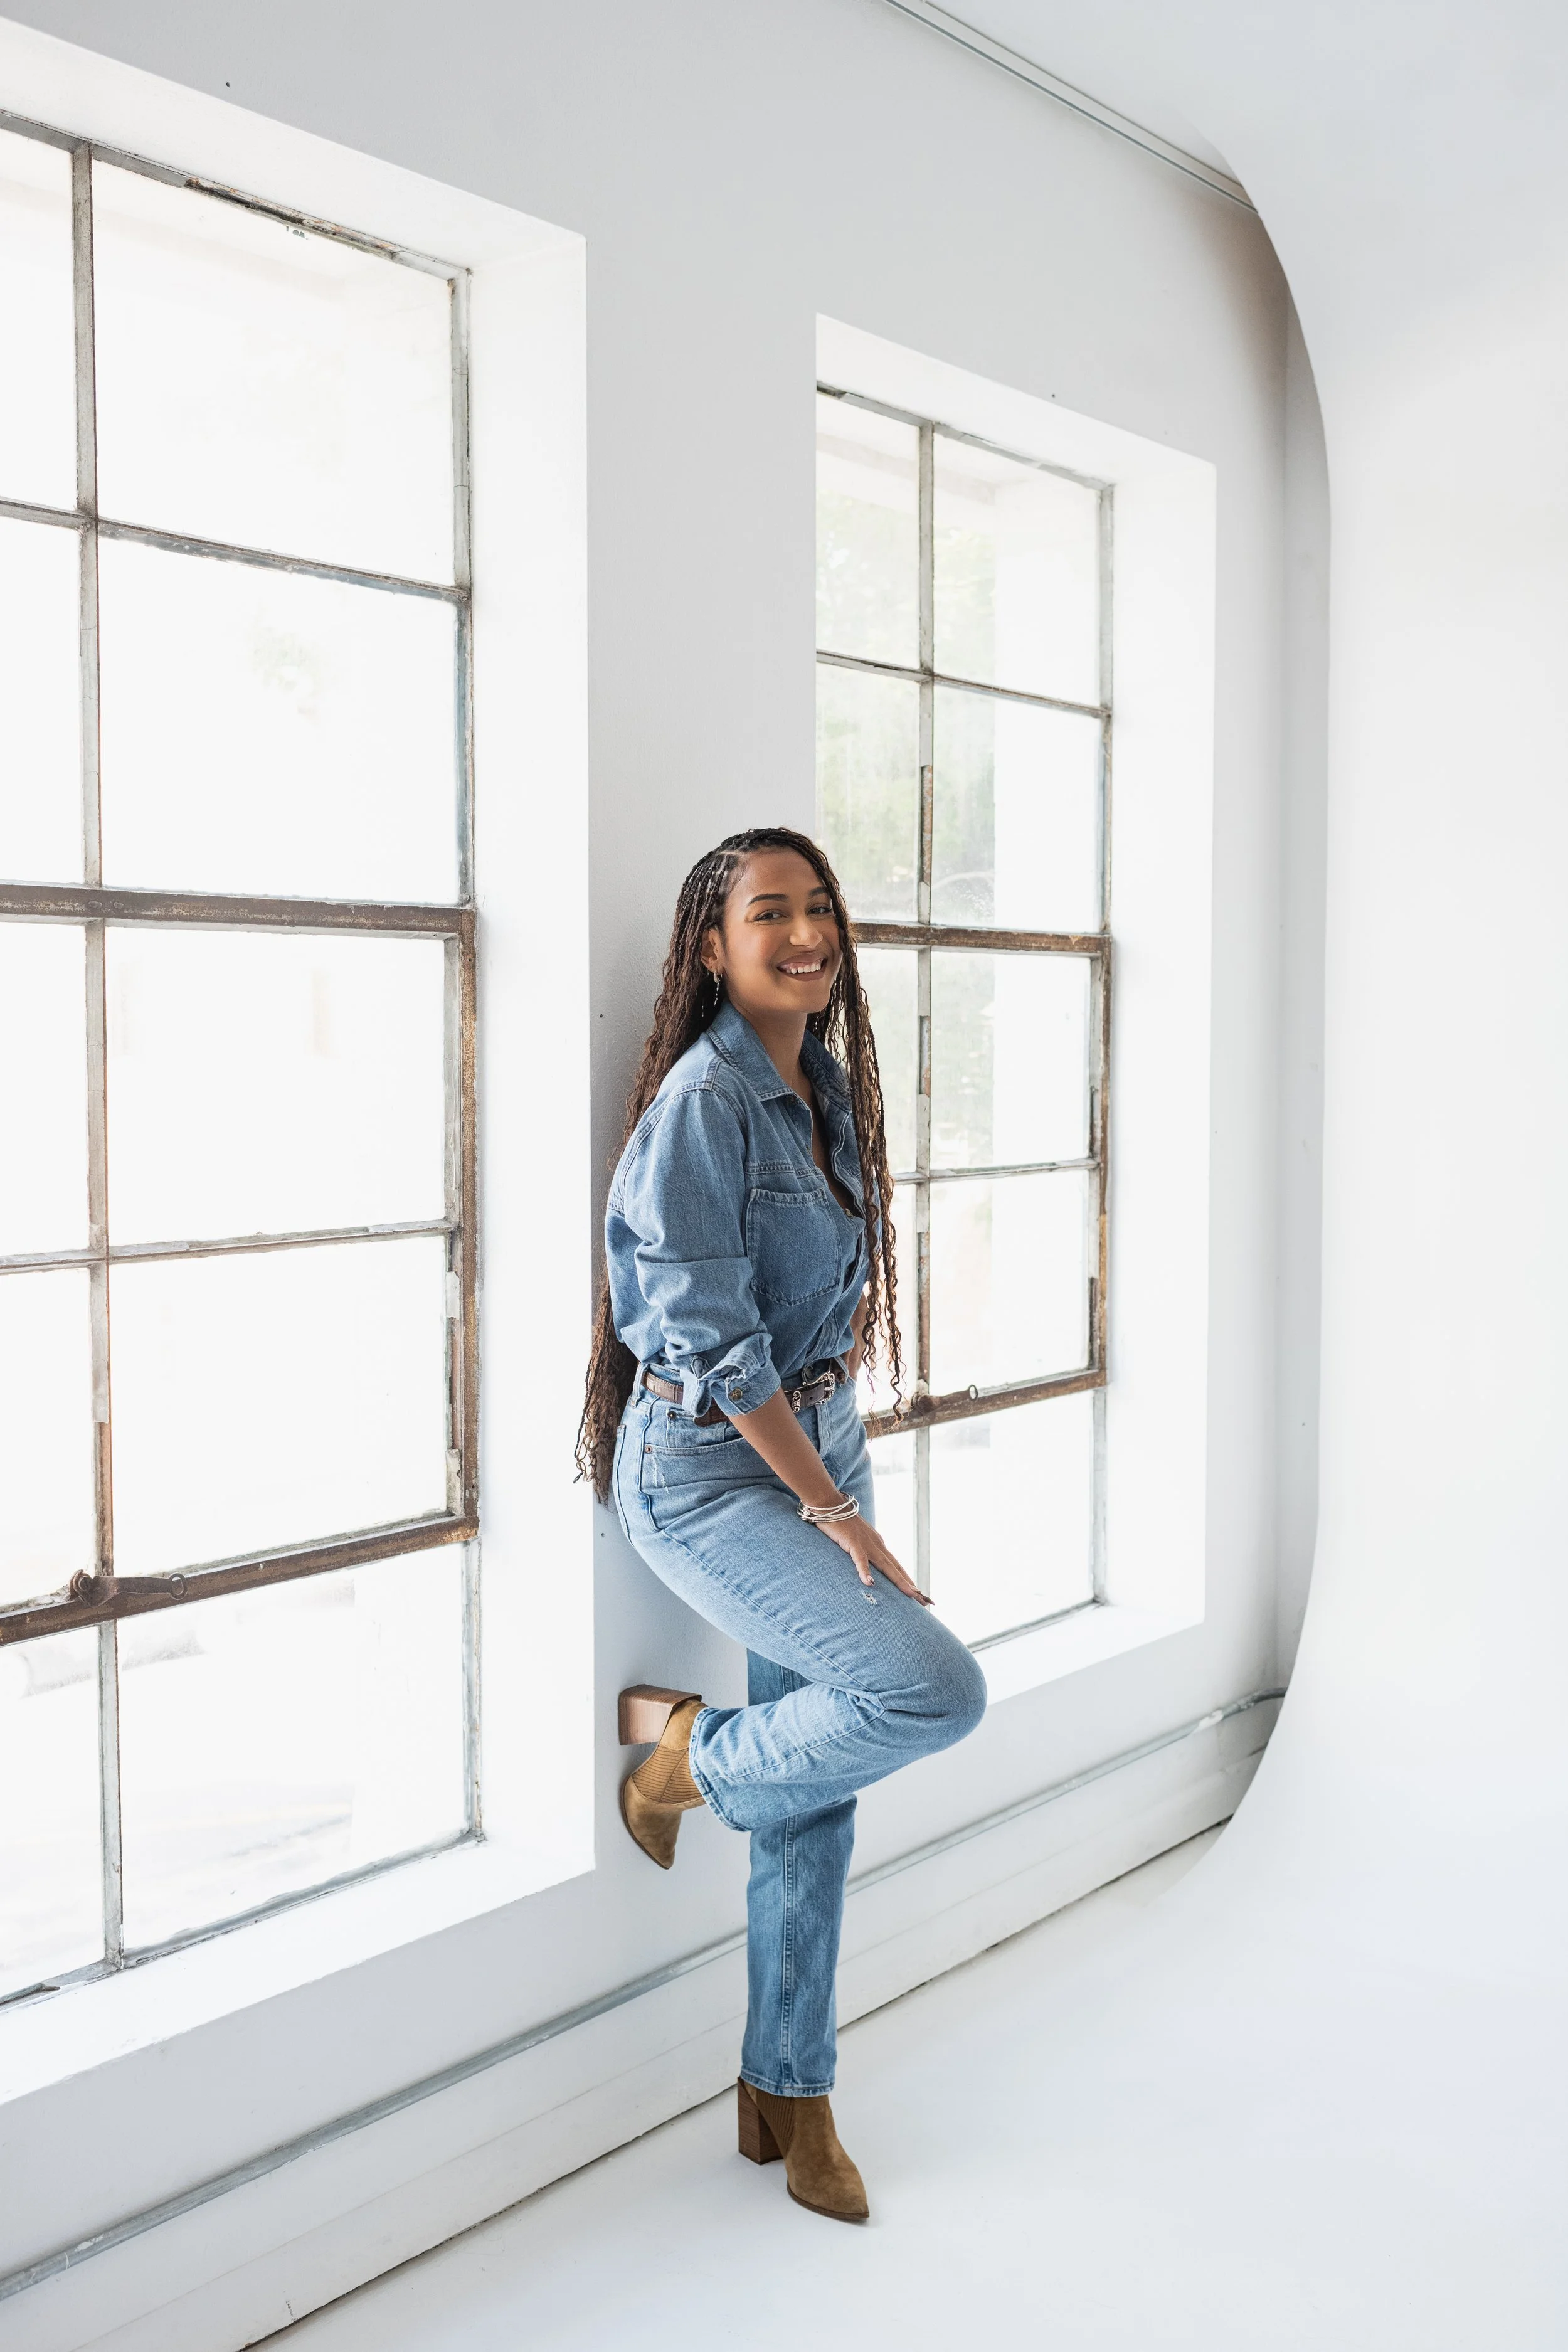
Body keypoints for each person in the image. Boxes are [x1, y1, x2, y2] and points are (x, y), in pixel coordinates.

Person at [578, 824, 988, 2224]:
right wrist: (823, 1508)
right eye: (771, 913)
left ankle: (788, 2091)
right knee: (929, 1689)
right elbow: (708, 1340)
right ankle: (682, 1760)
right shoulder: (700, 1105)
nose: (807, 933)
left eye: (820, 909)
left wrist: (831, 1465)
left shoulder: (818, 1080)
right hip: (707, 1467)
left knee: (821, 1789)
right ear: (712, 945)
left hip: (818, 1433)